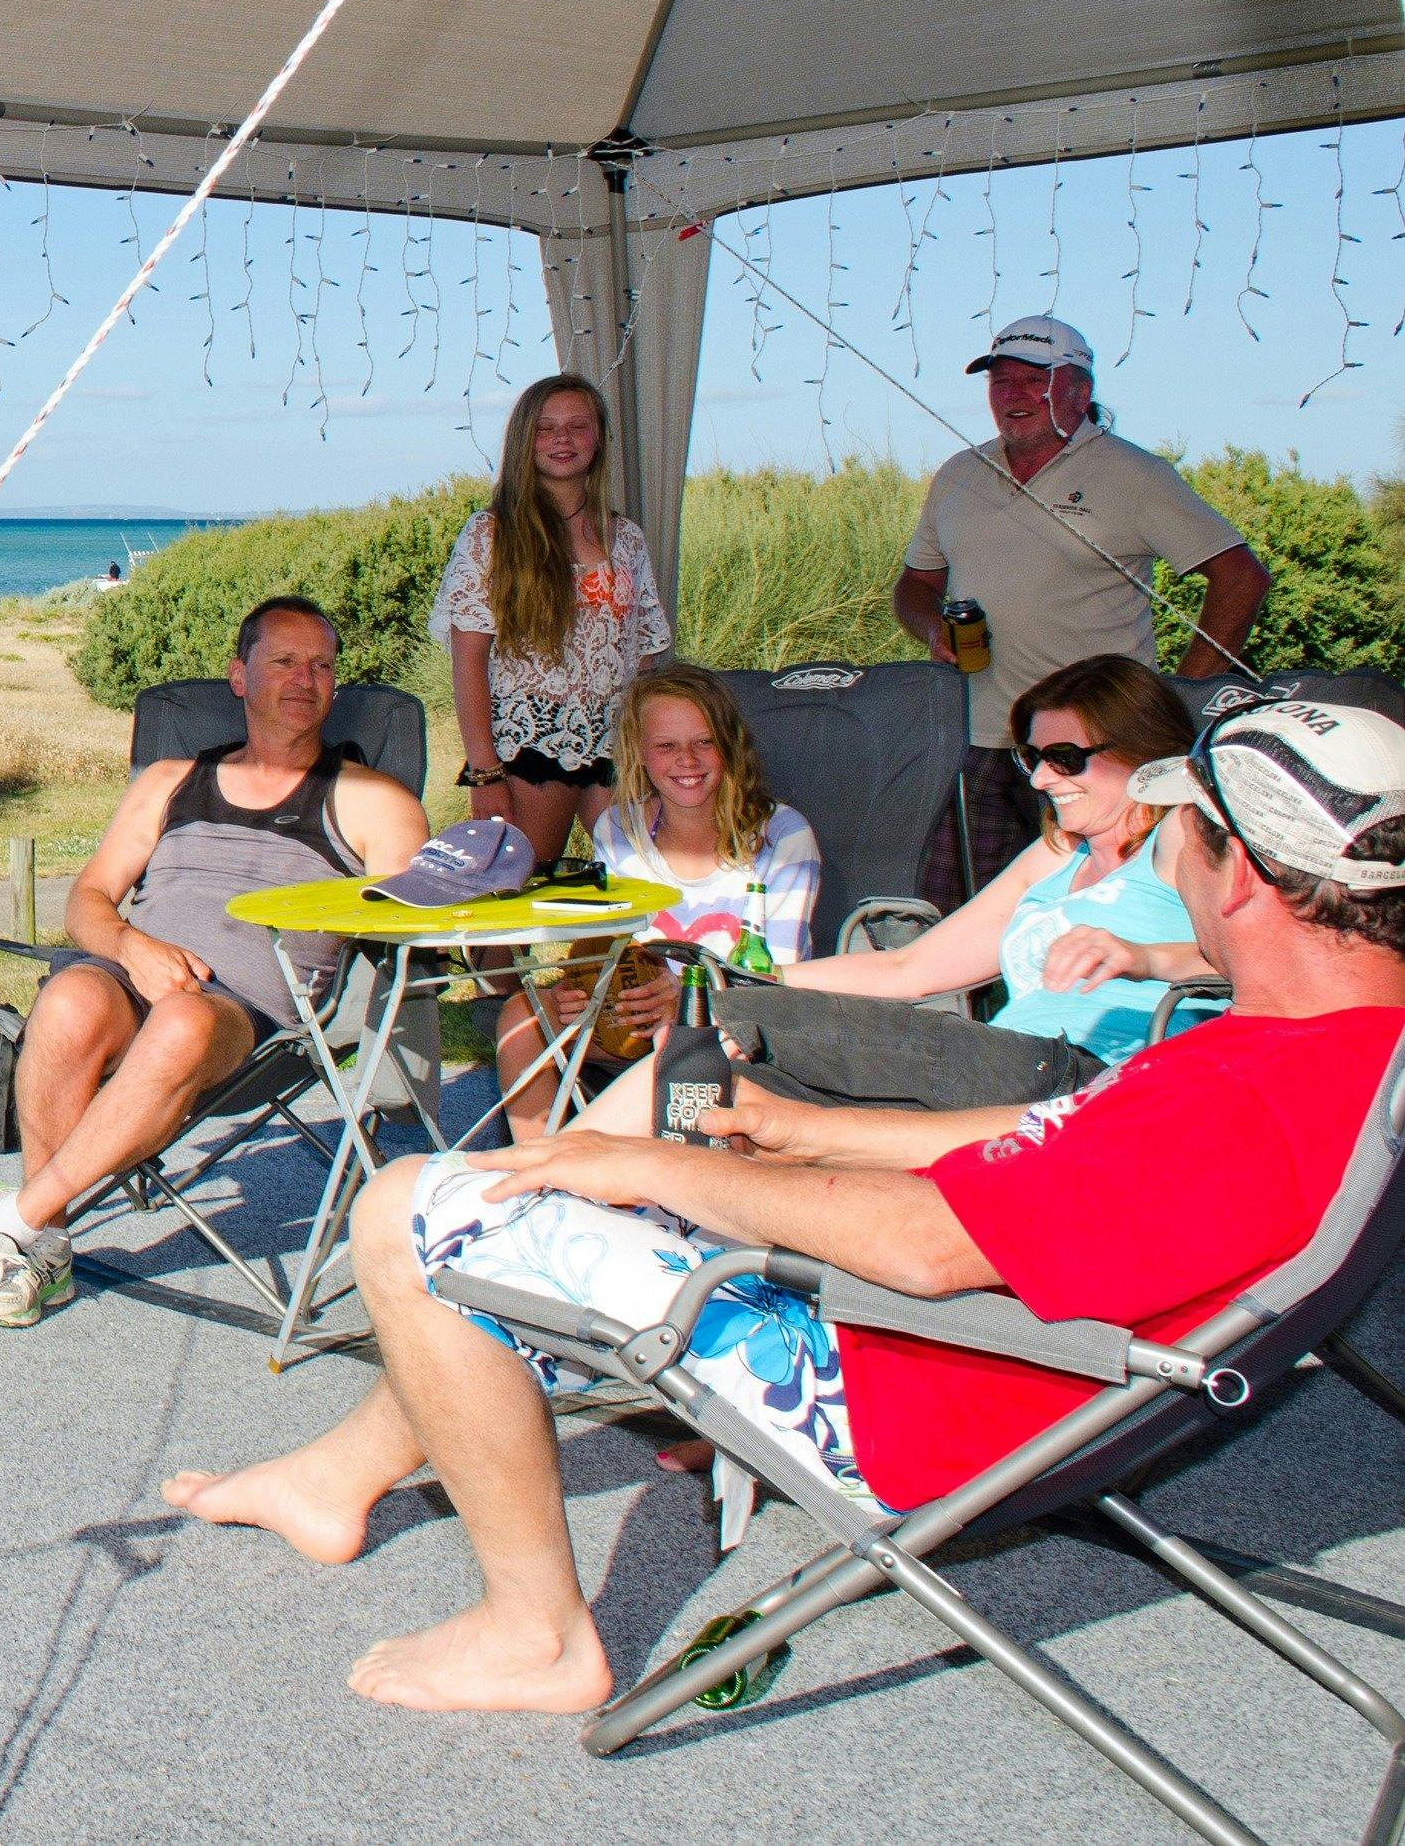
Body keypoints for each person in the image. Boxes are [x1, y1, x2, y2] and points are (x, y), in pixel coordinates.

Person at [161, 694, 1405, 1717]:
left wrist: (673, 1175)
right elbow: (1047, 1133)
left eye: (1185, 828)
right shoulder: (1320, 1044)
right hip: (1001, 1331)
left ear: (1239, 872)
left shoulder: (1249, 1097)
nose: (1164, 840)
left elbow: (924, 1251)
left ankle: (535, 1632)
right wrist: (807, 1133)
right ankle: (340, 1473)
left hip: (912, 1388)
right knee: (569, 1173)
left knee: (410, 1209)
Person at [0, 595, 429, 1328]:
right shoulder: (168, 781)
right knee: (68, 1000)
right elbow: (87, 900)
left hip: (252, 1015)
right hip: (131, 975)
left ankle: (11, 1227)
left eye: (321, 665)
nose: (305, 680)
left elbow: (405, 919)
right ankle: (41, 1251)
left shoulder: (370, 798)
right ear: (238, 677)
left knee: (180, 1021)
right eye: (283, 661)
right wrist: (128, 946)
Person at [896, 314, 1268, 908]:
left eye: (1032, 380)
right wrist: (930, 626)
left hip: (1100, 751)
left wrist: (1184, 693)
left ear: (1079, 390)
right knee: (958, 910)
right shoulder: (960, 474)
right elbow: (914, 585)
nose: (1012, 395)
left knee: (1101, 915)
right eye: (999, 382)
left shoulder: (1133, 473)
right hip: (983, 740)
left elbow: (1240, 577)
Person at [782, 655, 1209, 1075]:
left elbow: (1269, 963)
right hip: (1008, 1067)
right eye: (1033, 757)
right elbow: (909, 968)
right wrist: (751, 977)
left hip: (1107, 1080)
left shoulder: (1182, 833)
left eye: (1065, 757)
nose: (1041, 779)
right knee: (772, 1067)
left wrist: (1146, 958)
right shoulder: (1060, 852)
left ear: (1141, 748)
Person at [487, 666, 824, 1135]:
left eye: (704, 742)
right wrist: (579, 991)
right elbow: (610, 950)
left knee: (677, 1034)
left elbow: (778, 978)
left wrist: (689, 998)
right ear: (640, 754)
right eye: (666, 746)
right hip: (637, 1021)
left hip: (740, 1028)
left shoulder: (782, 836)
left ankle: (615, 1164)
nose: (687, 759)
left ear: (730, 745)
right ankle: (539, 1178)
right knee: (523, 1015)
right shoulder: (618, 831)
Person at [433, 374, 671, 874]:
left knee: (645, 885)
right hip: (532, 744)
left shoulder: (625, 537)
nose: (562, 439)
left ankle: (587, 960)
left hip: (616, 745)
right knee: (513, 894)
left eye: (577, 426)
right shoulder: (491, 534)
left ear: (599, 439)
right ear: (523, 440)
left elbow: (644, 656)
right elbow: (469, 659)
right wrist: (485, 773)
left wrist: (651, 746)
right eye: (545, 428)